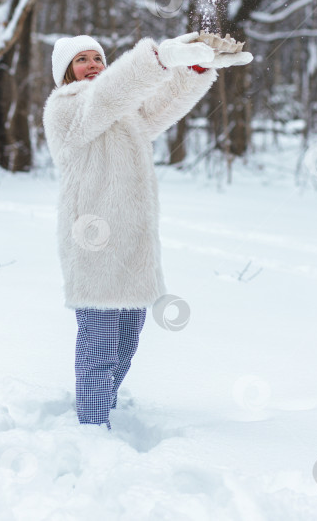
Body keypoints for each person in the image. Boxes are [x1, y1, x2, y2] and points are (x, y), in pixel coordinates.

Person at [42, 33, 252, 430]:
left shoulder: (122, 114)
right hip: (92, 245)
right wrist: (160, 57)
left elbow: (161, 105)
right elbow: (108, 94)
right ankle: (91, 425)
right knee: (99, 343)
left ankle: (104, 404)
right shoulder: (66, 110)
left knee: (126, 339)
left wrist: (194, 68)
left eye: (97, 57)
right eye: (81, 59)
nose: (92, 64)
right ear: (66, 72)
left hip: (132, 245)